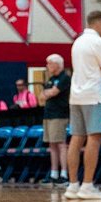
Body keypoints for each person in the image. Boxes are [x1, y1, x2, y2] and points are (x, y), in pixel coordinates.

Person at [65, 10, 101, 201]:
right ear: (99, 22)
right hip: (93, 96)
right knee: (94, 138)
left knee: (76, 138)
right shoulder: (98, 42)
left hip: (75, 95)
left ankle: (72, 185)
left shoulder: (77, 41)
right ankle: (87, 185)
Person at [42, 54, 71, 185]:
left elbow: (54, 92)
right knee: (52, 144)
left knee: (61, 144)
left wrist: (49, 93)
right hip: (48, 114)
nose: (47, 66)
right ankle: (54, 174)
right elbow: (42, 96)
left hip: (59, 115)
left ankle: (64, 174)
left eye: (49, 63)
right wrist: (48, 93)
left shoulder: (65, 77)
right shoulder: (51, 79)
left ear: (57, 64)